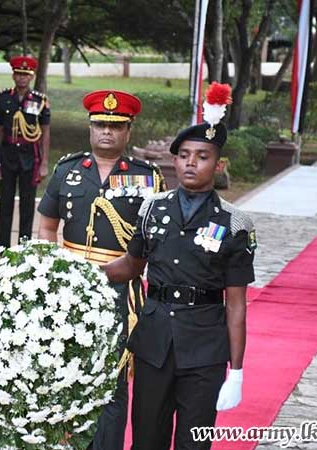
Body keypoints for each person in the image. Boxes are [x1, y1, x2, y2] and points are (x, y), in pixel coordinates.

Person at [102, 83, 257, 450]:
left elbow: (235, 303)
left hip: (204, 347)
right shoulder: (152, 209)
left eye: (202, 156)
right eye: (184, 155)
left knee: (193, 442)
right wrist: (80, 271)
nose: (191, 162)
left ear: (218, 165)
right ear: (174, 161)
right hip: (154, 342)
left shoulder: (236, 223)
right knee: (146, 438)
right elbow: (130, 265)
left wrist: (236, 370)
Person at [37, 90, 165, 450]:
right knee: (67, 371)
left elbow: (155, 238)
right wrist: (50, 269)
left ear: (128, 131)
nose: (106, 131)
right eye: (100, 125)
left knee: (112, 379)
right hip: (71, 286)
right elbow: (47, 225)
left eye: (115, 126)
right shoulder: (68, 170)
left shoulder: (147, 177)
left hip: (120, 291)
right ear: (90, 128)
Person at [0, 55, 51, 248]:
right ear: (13, 76)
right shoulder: (4, 98)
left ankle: (23, 249)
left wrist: (44, 163)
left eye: (26, 74)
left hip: (29, 157)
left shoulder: (40, 101)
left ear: (31, 76)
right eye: (18, 74)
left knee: (27, 206)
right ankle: (3, 249)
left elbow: (45, 133)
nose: (22, 78)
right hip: (7, 156)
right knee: (5, 205)